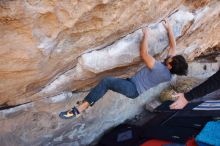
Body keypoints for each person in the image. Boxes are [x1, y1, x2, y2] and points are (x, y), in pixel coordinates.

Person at [59, 19, 188, 119]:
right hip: (132, 85)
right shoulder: (169, 71)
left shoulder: (160, 69)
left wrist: (146, 35)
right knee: (107, 83)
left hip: (132, 89)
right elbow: (173, 47)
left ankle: (81, 108)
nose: (169, 57)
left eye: (170, 60)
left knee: (106, 82)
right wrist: (169, 28)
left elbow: (144, 54)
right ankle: (84, 105)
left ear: (169, 66)